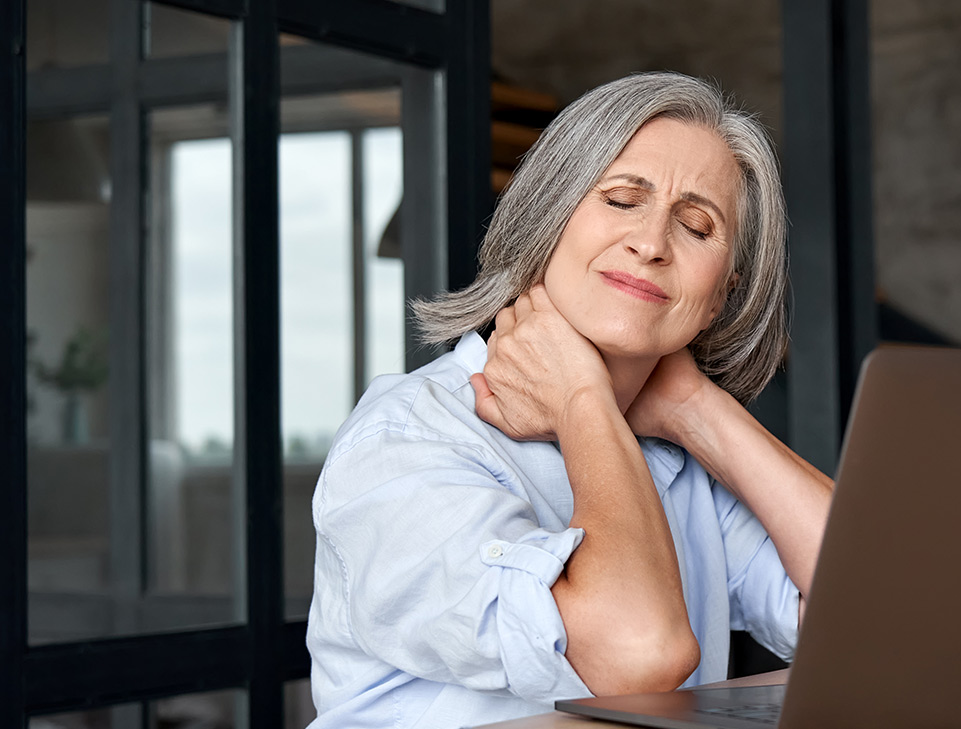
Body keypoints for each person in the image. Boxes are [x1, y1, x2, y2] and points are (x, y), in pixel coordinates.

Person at [305, 72, 833, 728]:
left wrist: (698, 407)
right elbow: (637, 652)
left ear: (721, 294)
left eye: (697, 225)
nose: (651, 243)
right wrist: (584, 396)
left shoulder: (677, 454)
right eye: (620, 200)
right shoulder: (409, 439)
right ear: (544, 222)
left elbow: (888, 614)